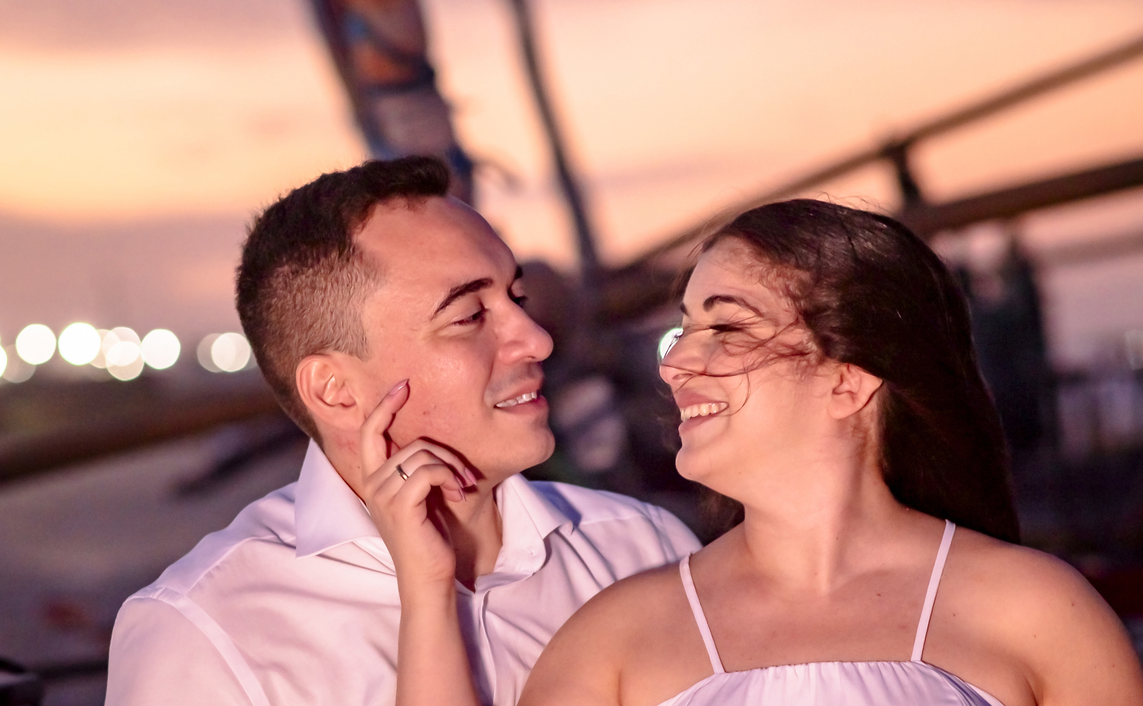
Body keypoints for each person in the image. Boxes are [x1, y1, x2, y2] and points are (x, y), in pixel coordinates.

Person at [104, 157, 700, 706]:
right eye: (469, 317)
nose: (537, 339)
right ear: (335, 390)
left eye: (517, 297)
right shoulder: (205, 632)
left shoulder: (641, 550)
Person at [516, 199, 1143, 706]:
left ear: (849, 380)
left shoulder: (1037, 612)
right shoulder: (613, 640)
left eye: (727, 328)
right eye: (682, 330)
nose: (676, 362)